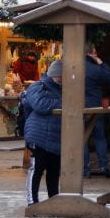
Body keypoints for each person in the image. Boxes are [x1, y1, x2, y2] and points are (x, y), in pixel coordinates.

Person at [24, 61, 64, 204]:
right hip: (38, 135)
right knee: (37, 169)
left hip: (56, 136)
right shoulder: (38, 86)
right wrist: (64, 103)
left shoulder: (62, 89)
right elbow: (40, 105)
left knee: (54, 171)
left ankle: (54, 201)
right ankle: (32, 201)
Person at [82, 44, 110, 178]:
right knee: (99, 137)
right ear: (92, 53)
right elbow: (109, 78)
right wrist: (101, 62)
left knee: (81, 138)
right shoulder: (96, 68)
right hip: (95, 106)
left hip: (79, 106)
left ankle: (85, 169)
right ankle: (104, 165)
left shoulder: (74, 66)